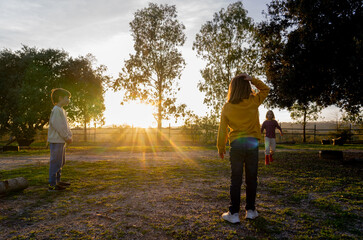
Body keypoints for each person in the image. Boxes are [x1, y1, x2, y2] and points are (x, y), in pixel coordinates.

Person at [217, 73, 269, 223]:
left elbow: (222, 129)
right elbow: (265, 89)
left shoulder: (227, 106)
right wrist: (252, 79)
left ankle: (233, 213)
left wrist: (221, 147)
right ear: (247, 86)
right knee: (252, 178)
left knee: (236, 179)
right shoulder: (253, 101)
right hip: (252, 143)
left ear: (232, 88)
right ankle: (251, 211)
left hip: (237, 145)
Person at [47, 88, 73, 191]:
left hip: (61, 140)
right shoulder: (56, 110)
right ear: (60, 98)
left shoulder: (62, 110)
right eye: (67, 98)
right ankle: (52, 184)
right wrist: (66, 137)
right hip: (56, 140)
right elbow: (58, 126)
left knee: (61, 162)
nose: (68, 100)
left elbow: (66, 126)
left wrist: (69, 135)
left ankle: (58, 181)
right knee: (56, 162)